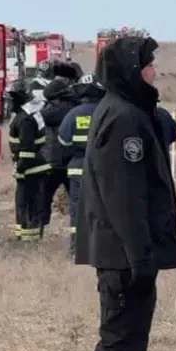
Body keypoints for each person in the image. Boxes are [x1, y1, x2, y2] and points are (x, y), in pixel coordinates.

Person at [76, 35, 176, 351]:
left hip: (125, 253)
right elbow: (124, 197)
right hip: (123, 257)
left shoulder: (127, 110)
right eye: (148, 65)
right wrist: (140, 258)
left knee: (125, 346)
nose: (155, 72)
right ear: (131, 71)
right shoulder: (122, 119)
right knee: (120, 347)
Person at [59, 73, 106, 256]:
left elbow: (63, 141)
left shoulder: (73, 114)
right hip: (104, 169)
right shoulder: (107, 111)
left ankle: (77, 249)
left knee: (78, 209)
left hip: (78, 168)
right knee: (103, 208)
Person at [8, 79, 51, 241]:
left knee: (26, 205)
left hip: (30, 170)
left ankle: (29, 240)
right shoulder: (29, 113)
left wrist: (19, 169)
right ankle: (26, 237)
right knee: (27, 205)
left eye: (11, 98)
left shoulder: (24, 119)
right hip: (33, 168)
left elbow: (26, 151)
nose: (9, 102)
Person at [39, 76, 80, 228]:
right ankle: (79, 231)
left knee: (43, 198)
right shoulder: (76, 106)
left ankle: (39, 227)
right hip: (72, 160)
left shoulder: (48, 110)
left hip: (52, 161)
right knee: (77, 200)